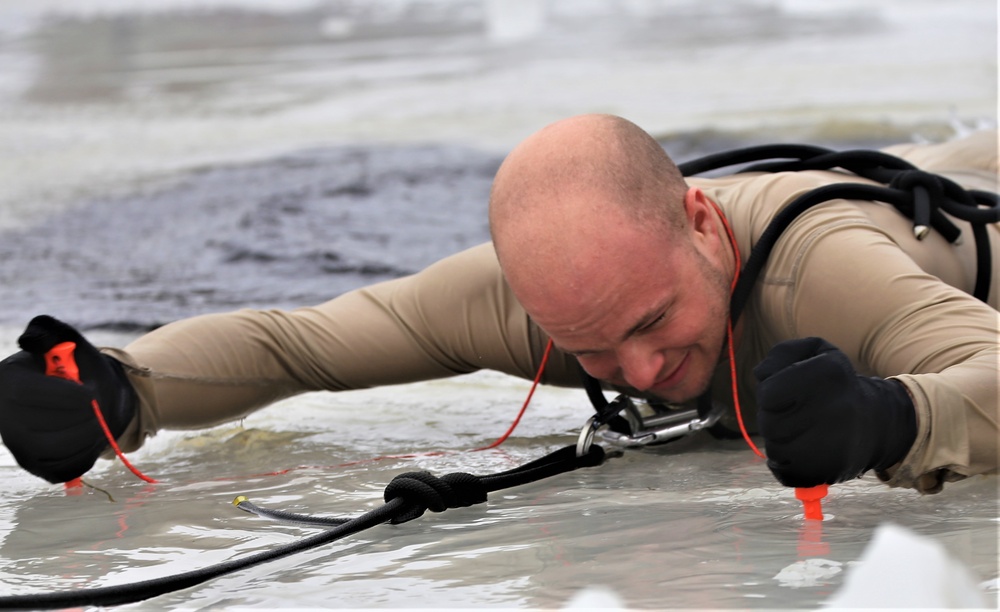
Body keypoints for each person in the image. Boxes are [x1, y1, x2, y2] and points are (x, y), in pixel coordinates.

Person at [1, 114, 997, 495]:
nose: (639, 373)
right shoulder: (545, 297)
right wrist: (122, 389)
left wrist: (889, 415)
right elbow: (299, 344)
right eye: (591, 350)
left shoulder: (814, 274)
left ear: (698, 223)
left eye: (650, 323)